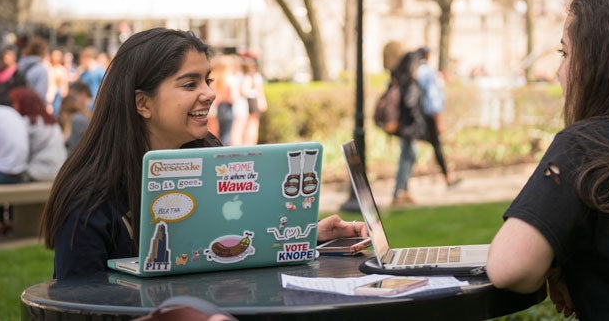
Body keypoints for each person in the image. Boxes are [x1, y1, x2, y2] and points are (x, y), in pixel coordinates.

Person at [39, 28, 367, 280]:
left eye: (207, 80)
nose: (209, 93)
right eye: (189, 84)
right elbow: (78, 302)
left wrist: (306, 235)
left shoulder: (211, 157)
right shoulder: (88, 201)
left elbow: (228, 245)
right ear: (143, 103)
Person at [486, 0, 609, 320]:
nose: (560, 70)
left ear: (600, 62)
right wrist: (564, 261)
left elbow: (509, 267)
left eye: (565, 53)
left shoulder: (586, 146)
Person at [414, 47, 458, 187]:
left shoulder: (415, 71)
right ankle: (447, 178)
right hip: (428, 116)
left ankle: (447, 177)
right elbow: (433, 97)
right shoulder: (427, 72)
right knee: (435, 146)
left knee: (411, 149)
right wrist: (438, 119)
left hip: (417, 116)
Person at [390, 51, 429, 206]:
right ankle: (399, 192)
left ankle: (402, 191)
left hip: (403, 125)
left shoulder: (399, 79)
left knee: (408, 155)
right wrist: (419, 121)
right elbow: (410, 103)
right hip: (408, 126)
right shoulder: (410, 82)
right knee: (408, 155)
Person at [8, 87, 67, 181]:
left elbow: (19, 154)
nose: (13, 107)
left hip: (38, 172)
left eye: (15, 103)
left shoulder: (27, 123)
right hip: (59, 171)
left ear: (23, 104)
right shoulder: (50, 121)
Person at [0, 104, 29, 235]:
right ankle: (9, 220)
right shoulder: (11, 113)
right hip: (20, 172)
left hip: (5, 174)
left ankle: (1, 222)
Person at [239, 56, 267, 145]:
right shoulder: (253, 77)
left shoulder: (245, 76)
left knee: (250, 124)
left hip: (250, 100)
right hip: (253, 100)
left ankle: (249, 143)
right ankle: (251, 143)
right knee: (253, 124)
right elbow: (258, 91)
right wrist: (262, 101)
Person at [16, 37, 50, 101]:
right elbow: (40, 94)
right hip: (31, 106)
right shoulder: (42, 70)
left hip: (17, 104)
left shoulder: (19, 64)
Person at [76, 46, 106, 111]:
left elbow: (106, 87)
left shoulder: (100, 71)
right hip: (85, 106)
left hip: (97, 105)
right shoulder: (84, 73)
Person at [46, 48, 70, 118]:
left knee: (57, 109)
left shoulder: (62, 69)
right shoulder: (49, 67)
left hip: (59, 91)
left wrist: (65, 91)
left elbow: (65, 82)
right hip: (50, 92)